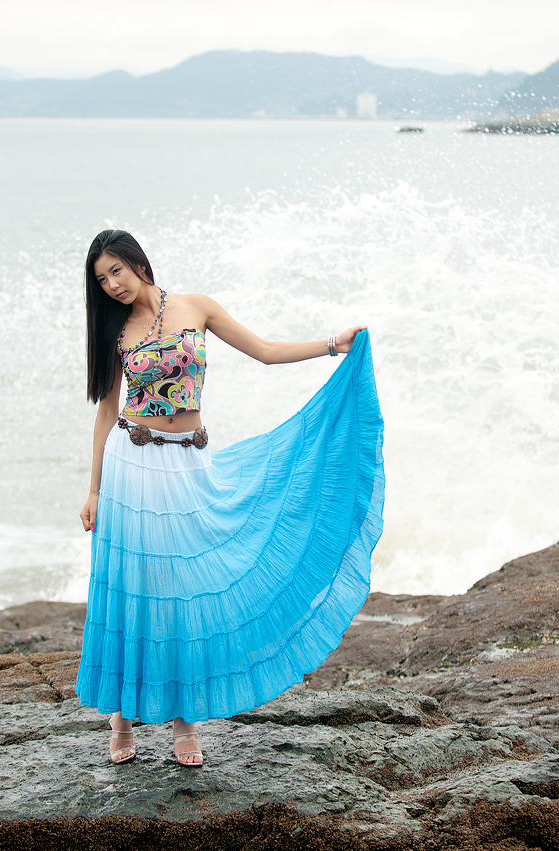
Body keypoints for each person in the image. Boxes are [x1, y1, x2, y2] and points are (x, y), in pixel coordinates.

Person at [74, 229, 384, 767]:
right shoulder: (113, 330)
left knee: (185, 588)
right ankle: (121, 718)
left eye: (116, 271)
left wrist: (332, 344)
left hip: (188, 460)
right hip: (134, 463)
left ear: (138, 263)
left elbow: (264, 352)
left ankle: (184, 721)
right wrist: (94, 489)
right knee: (133, 585)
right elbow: (106, 412)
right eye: (101, 280)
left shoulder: (196, 307)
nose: (112, 285)